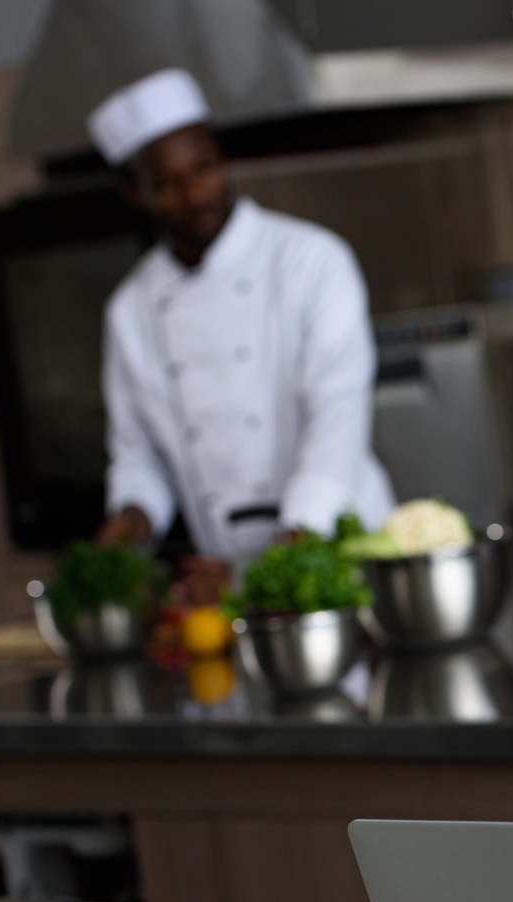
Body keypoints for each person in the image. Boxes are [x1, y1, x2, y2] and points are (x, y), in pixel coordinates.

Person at [88, 69, 396, 603]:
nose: (195, 193)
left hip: (341, 554)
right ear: (133, 196)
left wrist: (289, 550)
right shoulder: (130, 311)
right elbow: (139, 458)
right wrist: (131, 522)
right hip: (223, 573)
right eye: (166, 183)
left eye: (204, 167)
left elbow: (338, 420)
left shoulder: (311, 261)